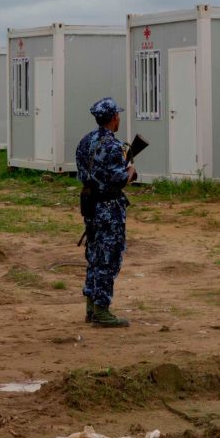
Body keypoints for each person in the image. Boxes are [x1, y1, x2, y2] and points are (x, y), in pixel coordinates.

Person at [75, 97, 136, 328]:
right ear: (114, 118)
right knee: (108, 258)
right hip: (109, 209)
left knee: (94, 255)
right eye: (118, 115)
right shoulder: (113, 146)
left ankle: (91, 306)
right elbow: (119, 179)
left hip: (90, 206)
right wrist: (130, 170)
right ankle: (102, 309)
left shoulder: (85, 141)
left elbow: (84, 172)